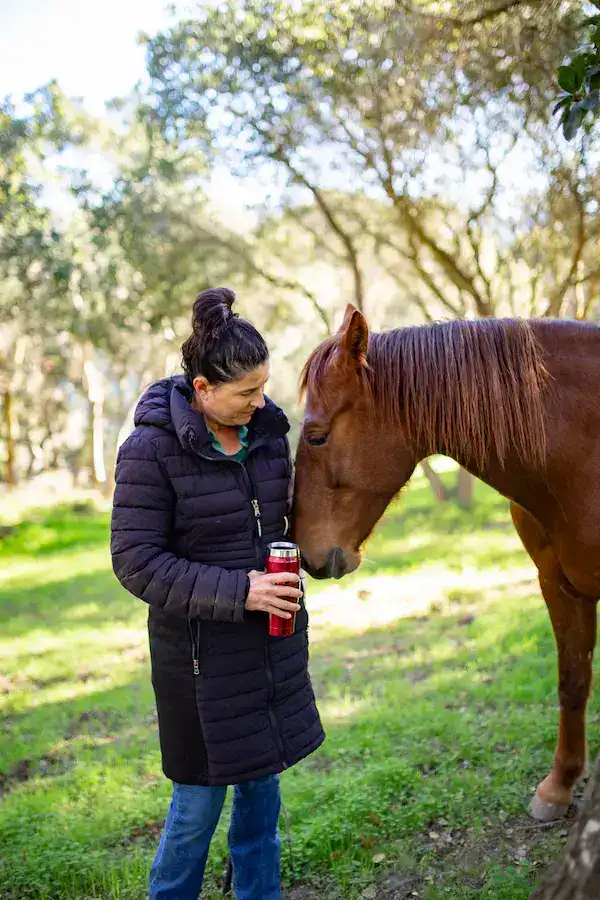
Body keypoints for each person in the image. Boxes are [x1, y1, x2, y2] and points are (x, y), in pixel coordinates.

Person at [110, 288, 324, 900]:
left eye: (264, 388)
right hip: (200, 666)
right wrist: (242, 591)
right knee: (197, 809)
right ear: (202, 389)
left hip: (270, 653)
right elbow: (135, 561)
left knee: (262, 803)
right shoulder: (149, 451)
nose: (261, 404)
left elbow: (276, 526)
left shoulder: (266, 438)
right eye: (246, 394)